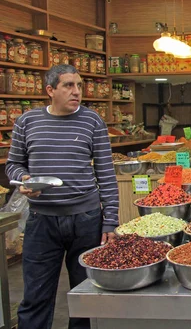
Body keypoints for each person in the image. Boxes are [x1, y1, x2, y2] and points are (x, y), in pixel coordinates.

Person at [5, 64, 119, 329]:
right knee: (35, 296)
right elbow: (13, 165)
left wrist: (110, 221)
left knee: (87, 296)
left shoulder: (93, 121)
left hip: (86, 220)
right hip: (42, 220)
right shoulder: (27, 121)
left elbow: (106, 174)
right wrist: (24, 179)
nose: (76, 91)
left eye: (79, 85)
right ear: (50, 90)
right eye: (68, 85)